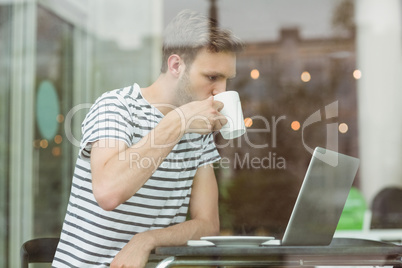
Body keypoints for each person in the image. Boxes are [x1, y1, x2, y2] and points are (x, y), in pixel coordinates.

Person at [52, 9, 243, 268]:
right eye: (212, 77)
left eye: (226, 80)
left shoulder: (200, 133)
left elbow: (207, 226)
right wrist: (179, 121)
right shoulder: (117, 107)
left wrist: (147, 240)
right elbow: (109, 192)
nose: (221, 90)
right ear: (176, 65)